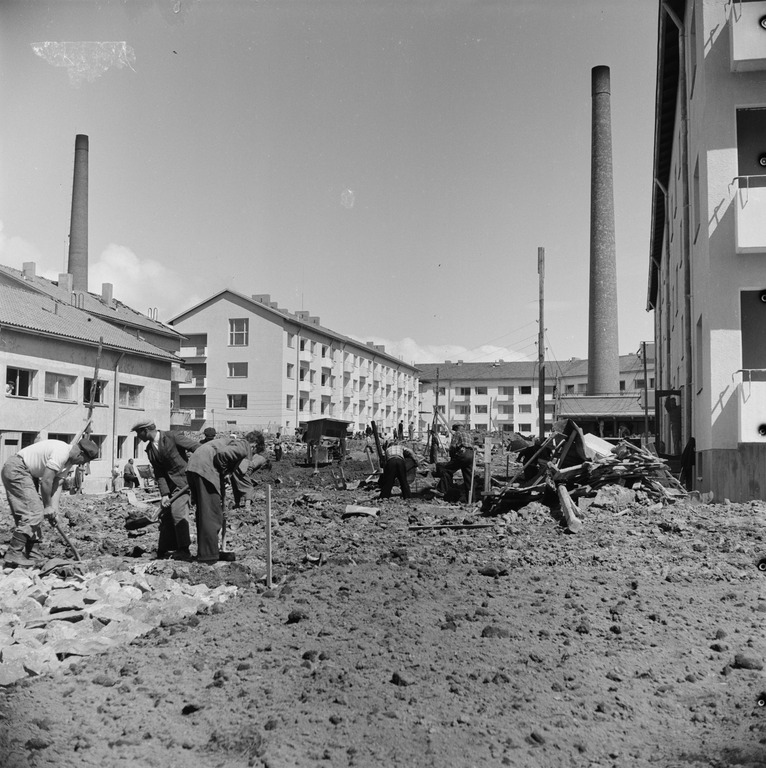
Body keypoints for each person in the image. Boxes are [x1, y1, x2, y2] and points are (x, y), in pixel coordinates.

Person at [1, 437, 99, 568]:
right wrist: (47, 507)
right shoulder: (61, 452)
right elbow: (46, 481)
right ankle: (14, 552)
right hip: (17, 469)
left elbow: (56, 485)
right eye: (83, 461)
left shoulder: (68, 463)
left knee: (31, 514)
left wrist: (54, 510)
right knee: (34, 513)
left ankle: (33, 554)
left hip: (26, 473)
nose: (80, 464)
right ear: (80, 454)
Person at [186, 432, 261, 563]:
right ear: (254, 446)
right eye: (254, 452)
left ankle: (205, 552)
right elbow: (222, 456)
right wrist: (225, 472)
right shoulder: (244, 445)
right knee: (212, 514)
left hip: (195, 466)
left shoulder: (228, 442)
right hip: (205, 468)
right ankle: (209, 556)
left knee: (204, 513)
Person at [132, 419, 199, 561]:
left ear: (146, 430)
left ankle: (184, 550)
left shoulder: (173, 437)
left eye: (138, 433)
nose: (138, 436)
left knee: (178, 513)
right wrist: (164, 494)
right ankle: (164, 550)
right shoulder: (150, 450)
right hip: (169, 486)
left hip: (183, 482)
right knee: (166, 516)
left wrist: (195, 468)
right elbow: (159, 473)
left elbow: (197, 447)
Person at [434, 423, 475, 500]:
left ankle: (441, 490)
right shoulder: (469, 434)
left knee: (447, 469)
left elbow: (453, 446)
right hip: (471, 455)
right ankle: (472, 499)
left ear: (456, 428)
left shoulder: (458, 433)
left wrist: (452, 458)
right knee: (468, 478)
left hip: (462, 454)